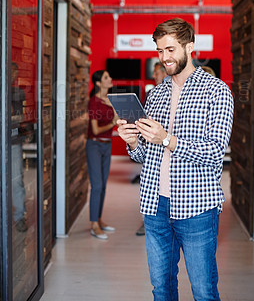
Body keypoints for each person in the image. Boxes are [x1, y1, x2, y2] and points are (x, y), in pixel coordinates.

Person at [117, 18, 234, 300]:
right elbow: (146, 155)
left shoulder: (217, 91)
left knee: (203, 291)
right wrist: (133, 141)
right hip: (155, 206)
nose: (164, 58)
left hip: (197, 209)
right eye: (159, 51)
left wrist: (168, 139)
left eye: (170, 50)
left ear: (190, 47)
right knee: (162, 289)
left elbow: (216, 152)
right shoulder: (155, 95)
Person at [136, 61, 167, 236]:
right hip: (150, 153)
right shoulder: (151, 95)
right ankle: (145, 222)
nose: (153, 76)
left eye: (156, 73)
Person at [86, 70, 118, 240]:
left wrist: (111, 105)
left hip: (107, 146)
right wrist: (112, 124)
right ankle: (93, 225)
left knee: (103, 185)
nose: (110, 79)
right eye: (106, 77)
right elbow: (96, 130)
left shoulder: (108, 99)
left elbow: (119, 119)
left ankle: (98, 219)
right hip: (94, 146)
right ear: (98, 83)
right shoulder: (93, 102)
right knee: (97, 185)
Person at [11, 62, 27, 232]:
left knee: (16, 180)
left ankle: (20, 216)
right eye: (11, 71)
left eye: (15, 71)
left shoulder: (18, 92)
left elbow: (19, 117)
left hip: (14, 141)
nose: (13, 75)